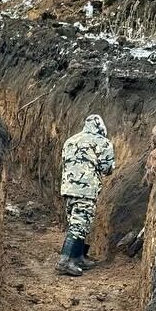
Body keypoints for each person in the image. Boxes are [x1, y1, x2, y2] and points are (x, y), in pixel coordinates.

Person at [56, 114, 115, 276]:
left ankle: (78, 257)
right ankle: (65, 261)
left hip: (68, 188)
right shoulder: (102, 142)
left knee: (76, 222)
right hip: (86, 190)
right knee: (79, 225)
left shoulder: (70, 140)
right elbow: (107, 168)